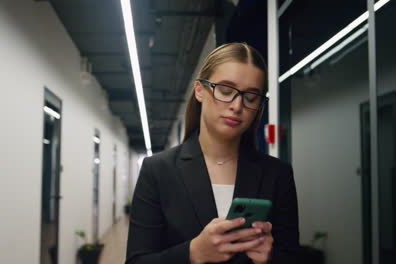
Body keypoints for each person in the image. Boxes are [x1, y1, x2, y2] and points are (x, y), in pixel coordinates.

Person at [126, 42, 299, 264]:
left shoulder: (277, 174)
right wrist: (192, 252)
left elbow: (293, 256)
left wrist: (271, 257)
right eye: (226, 91)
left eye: (251, 97)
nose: (237, 105)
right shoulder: (158, 170)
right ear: (199, 90)